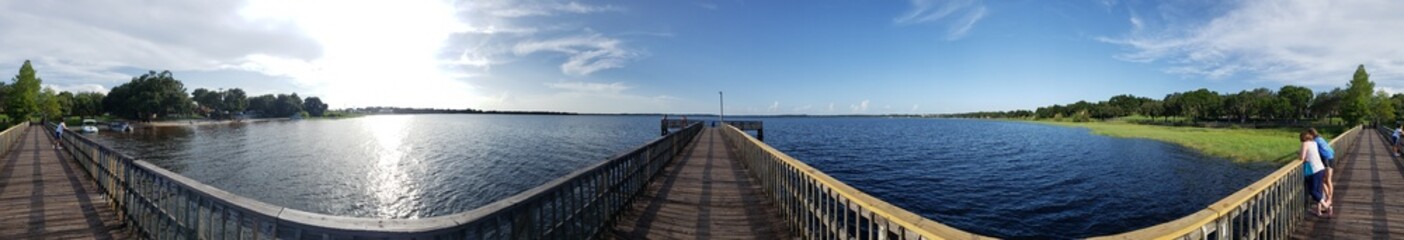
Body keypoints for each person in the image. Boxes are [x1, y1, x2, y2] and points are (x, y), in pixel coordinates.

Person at [1301, 130, 1330, 217]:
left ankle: (1326, 205)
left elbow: (1302, 157)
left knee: (1313, 191)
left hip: (1314, 169)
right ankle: (1319, 211)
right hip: (1321, 167)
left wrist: (1302, 157)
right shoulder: (1314, 143)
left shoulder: (1305, 144)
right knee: (1319, 190)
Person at [1311, 128, 1335, 209]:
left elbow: (1313, 151)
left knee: (1324, 180)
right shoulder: (1321, 138)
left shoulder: (1315, 141)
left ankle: (1328, 198)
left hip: (1326, 159)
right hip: (1331, 157)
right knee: (1328, 180)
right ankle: (1329, 198)